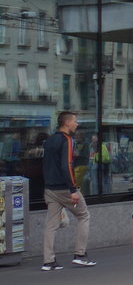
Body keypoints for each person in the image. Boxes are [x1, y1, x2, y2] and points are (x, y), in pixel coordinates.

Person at [41, 111, 96, 270]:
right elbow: (67, 165)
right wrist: (73, 189)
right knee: (84, 215)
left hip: (50, 189)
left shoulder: (50, 140)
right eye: (75, 121)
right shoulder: (68, 140)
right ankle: (80, 255)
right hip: (65, 188)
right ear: (66, 123)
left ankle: (48, 261)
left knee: (51, 224)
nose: (76, 124)